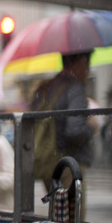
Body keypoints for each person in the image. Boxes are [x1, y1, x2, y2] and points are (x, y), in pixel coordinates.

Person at [31, 51, 95, 212]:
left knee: (57, 217)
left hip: (47, 161)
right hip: (69, 164)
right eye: (88, 64)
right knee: (72, 221)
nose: (88, 70)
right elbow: (75, 131)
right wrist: (92, 127)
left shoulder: (45, 87)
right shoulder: (75, 88)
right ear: (81, 61)